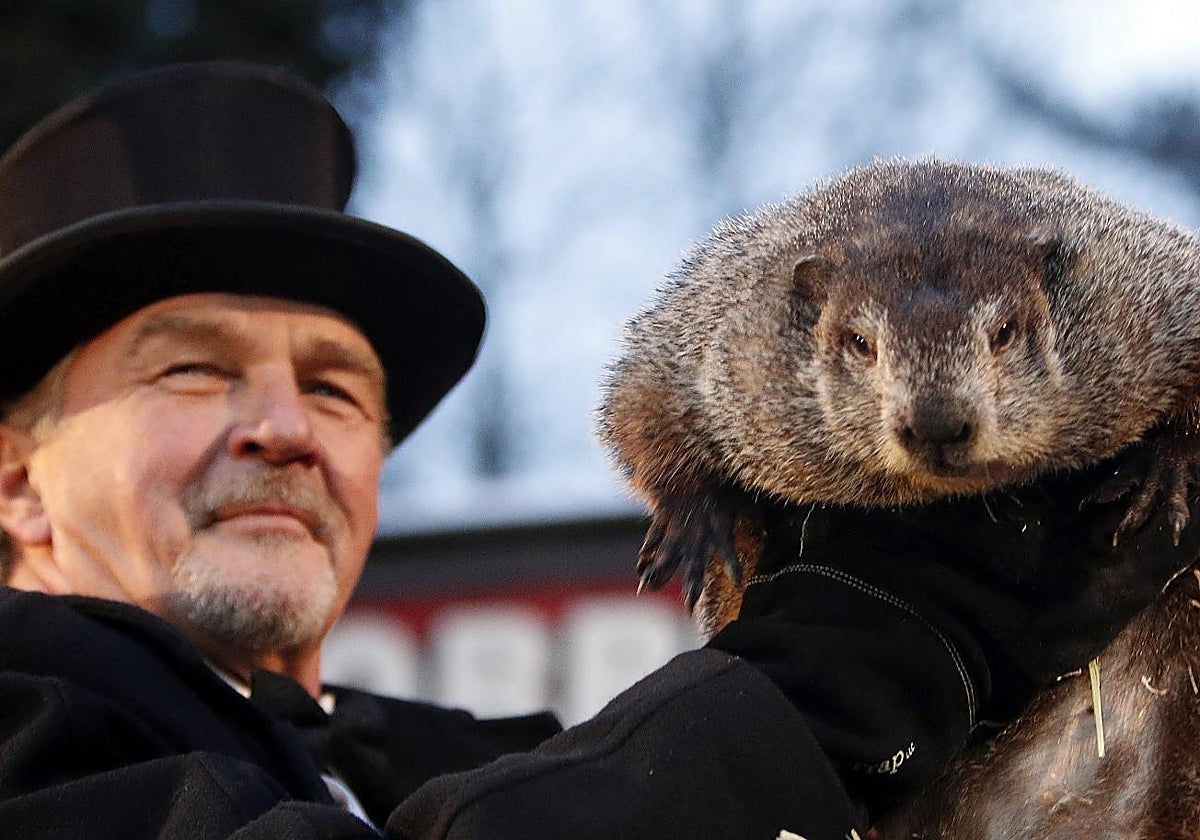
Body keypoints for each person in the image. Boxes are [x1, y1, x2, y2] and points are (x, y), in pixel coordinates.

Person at [0, 61, 1193, 840]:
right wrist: (866, 662)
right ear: (14, 481)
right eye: (191, 368)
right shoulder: (28, 741)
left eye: (335, 388)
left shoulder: (452, 756)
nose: (285, 426)